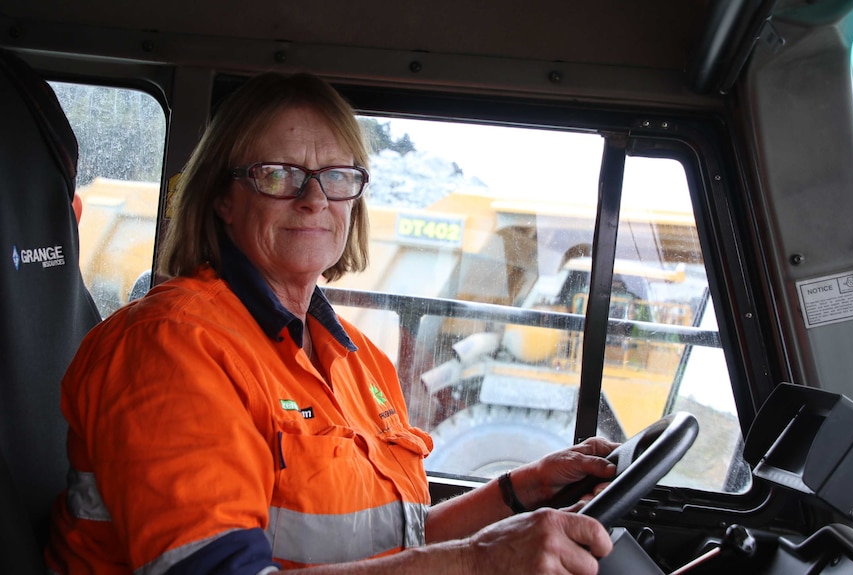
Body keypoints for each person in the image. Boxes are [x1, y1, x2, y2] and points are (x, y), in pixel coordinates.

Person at [45, 72, 619, 575]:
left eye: (338, 175)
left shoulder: (356, 358)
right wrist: (476, 562)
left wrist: (523, 492)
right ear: (223, 197)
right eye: (278, 174)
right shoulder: (172, 346)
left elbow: (397, 545)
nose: (314, 198)